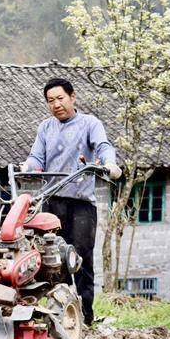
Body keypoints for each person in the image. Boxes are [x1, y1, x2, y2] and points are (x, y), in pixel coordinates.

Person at [22, 77, 121, 326]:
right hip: (52, 202)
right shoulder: (45, 128)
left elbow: (103, 146)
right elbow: (36, 156)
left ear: (72, 97)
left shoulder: (90, 124)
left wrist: (109, 164)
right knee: (53, 259)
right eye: (50, 101)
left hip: (81, 204)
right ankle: (59, 314)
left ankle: (86, 316)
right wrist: (30, 166)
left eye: (60, 98)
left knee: (81, 258)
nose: (56, 105)